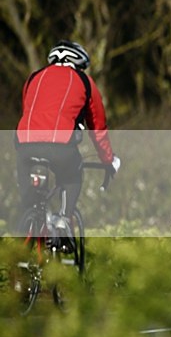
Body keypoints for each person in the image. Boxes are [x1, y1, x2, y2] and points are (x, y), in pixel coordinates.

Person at [15, 40, 120, 229]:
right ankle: (64, 218)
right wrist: (108, 160)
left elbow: (28, 110)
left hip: (24, 144)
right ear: (79, 63)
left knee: (29, 200)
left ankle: (28, 226)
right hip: (60, 146)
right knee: (72, 176)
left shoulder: (33, 77)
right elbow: (98, 127)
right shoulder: (84, 81)